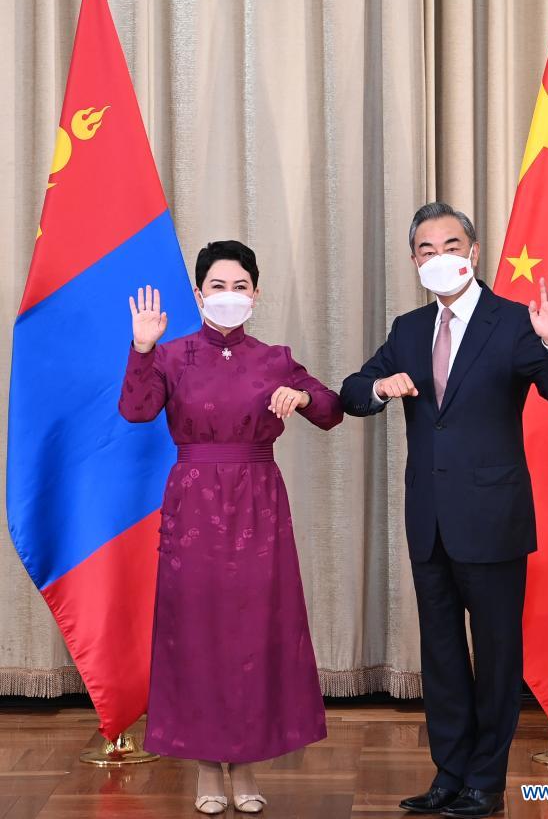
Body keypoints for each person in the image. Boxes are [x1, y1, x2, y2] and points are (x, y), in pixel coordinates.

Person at [339, 202, 548, 819]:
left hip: (493, 519)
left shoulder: (514, 322)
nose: (439, 257)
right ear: (414, 260)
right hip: (429, 521)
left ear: (473, 253)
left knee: (498, 654)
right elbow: (352, 391)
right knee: (442, 652)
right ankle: (449, 773)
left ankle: (485, 781)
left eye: (451, 245)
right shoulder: (408, 329)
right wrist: (379, 388)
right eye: (426, 249)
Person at [118, 240, 343, 815]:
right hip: (193, 504)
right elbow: (136, 411)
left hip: (258, 504)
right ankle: (205, 766)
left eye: (240, 286)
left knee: (254, 631)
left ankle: (245, 763)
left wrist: (302, 393)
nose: (229, 295)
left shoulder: (274, 358)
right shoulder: (171, 355)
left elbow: (331, 409)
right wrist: (141, 348)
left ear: (256, 294)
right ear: (199, 294)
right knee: (196, 631)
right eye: (217, 286)